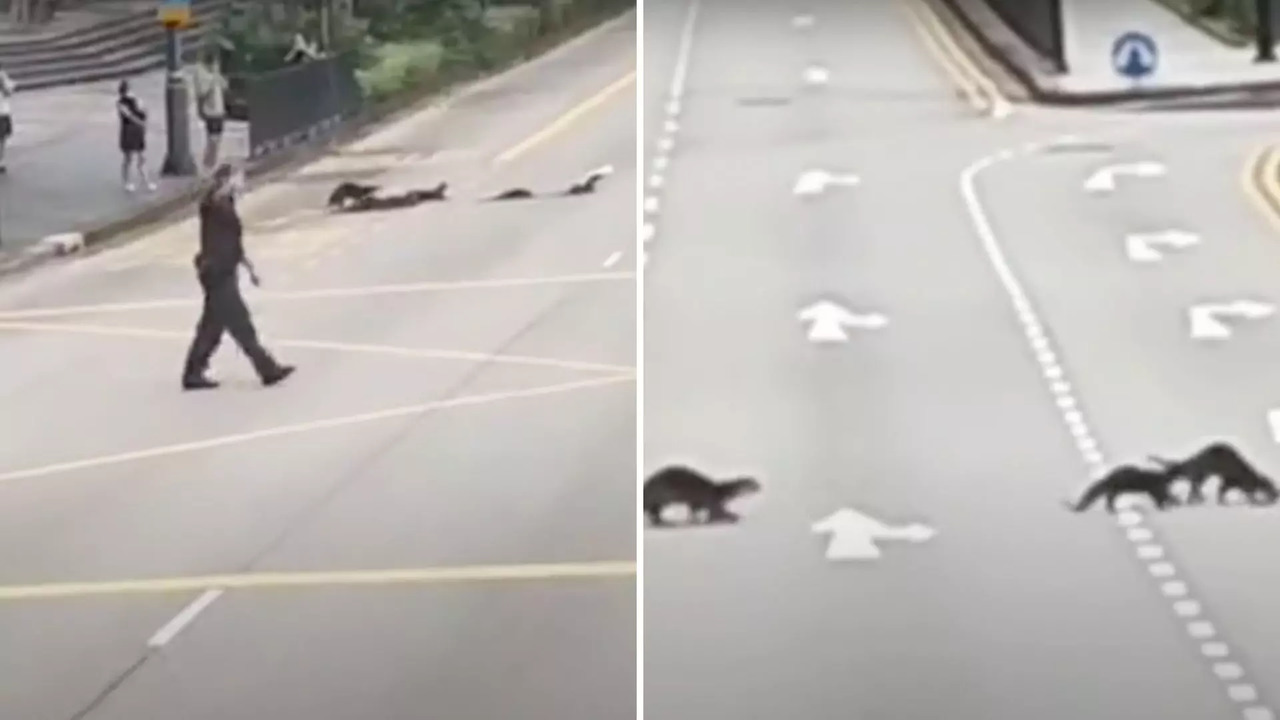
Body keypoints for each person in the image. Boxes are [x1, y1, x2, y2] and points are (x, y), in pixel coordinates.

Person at [182, 163, 295, 391]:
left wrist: (248, 268)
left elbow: (234, 241)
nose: (242, 183)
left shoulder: (227, 203)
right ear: (226, 181)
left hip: (225, 269)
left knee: (212, 326)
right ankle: (268, 370)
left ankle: (193, 371)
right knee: (240, 323)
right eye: (238, 178)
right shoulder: (212, 204)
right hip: (216, 272)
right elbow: (209, 206)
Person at [190, 49, 228, 172]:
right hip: (211, 111)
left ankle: (212, 162)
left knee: (217, 139)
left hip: (219, 110)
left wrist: (219, 77)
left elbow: (225, 86)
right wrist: (212, 81)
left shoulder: (216, 76)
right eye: (214, 64)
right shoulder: (204, 76)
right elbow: (202, 93)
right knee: (212, 139)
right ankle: (208, 164)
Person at [116, 79, 156, 192]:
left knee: (142, 157)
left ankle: (146, 181)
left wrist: (140, 105)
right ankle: (126, 181)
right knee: (128, 158)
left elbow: (144, 112)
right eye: (128, 89)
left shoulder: (136, 100)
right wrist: (142, 123)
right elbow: (129, 116)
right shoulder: (120, 103)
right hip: (128, 130)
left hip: (138, 130)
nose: (130, 91)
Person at [0, 62, 16, 174]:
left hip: (2, 111)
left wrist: (4, 84)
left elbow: (8, 92)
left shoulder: (2, 76)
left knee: (2, 138)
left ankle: (1, 161)